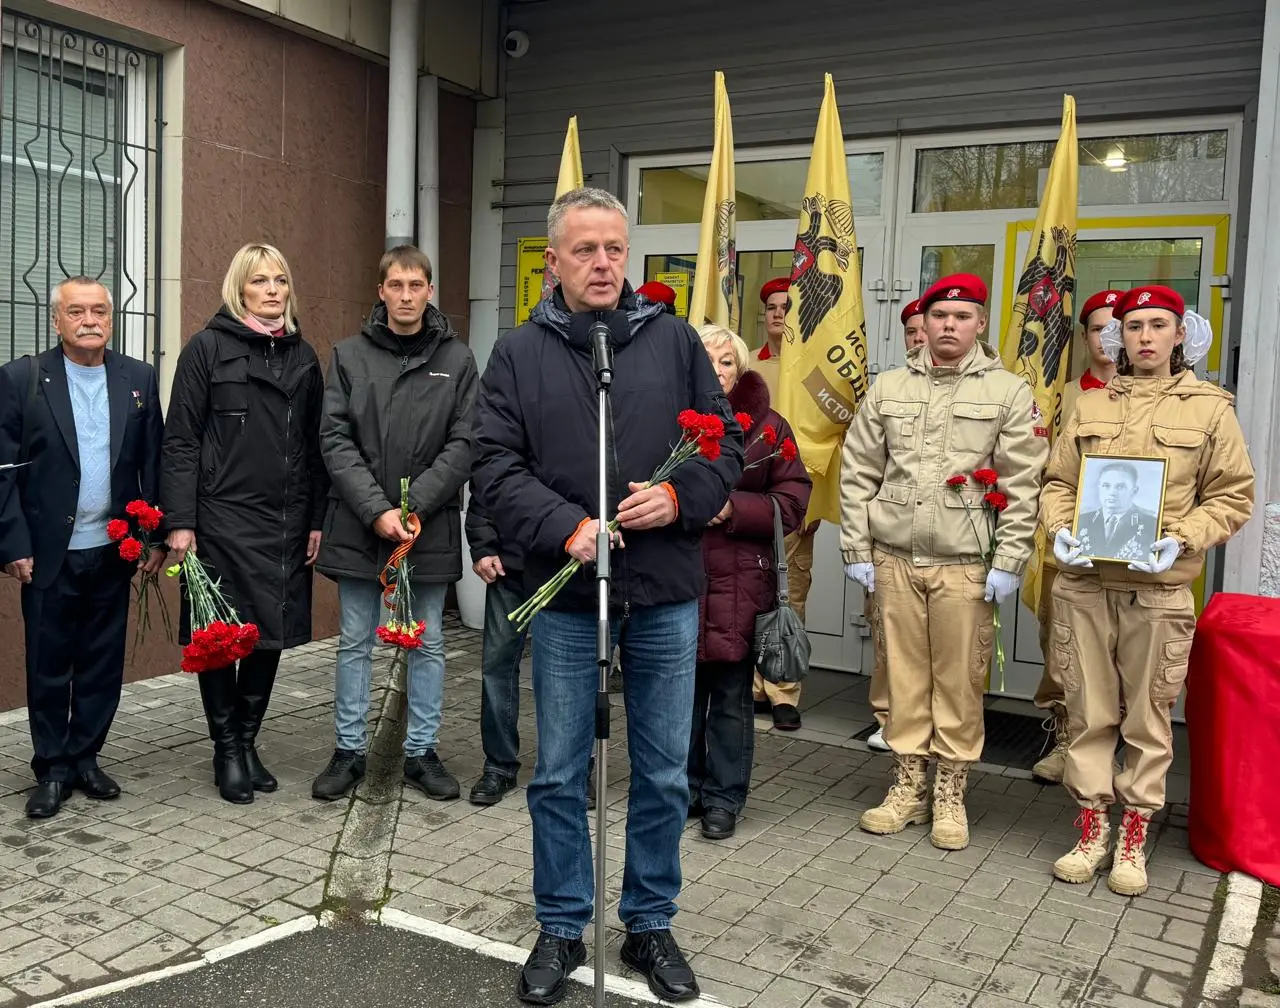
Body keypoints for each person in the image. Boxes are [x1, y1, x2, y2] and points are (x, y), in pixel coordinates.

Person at [473, 187, 742, 1006]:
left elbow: (721, 442)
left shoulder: (674, 341)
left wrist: (681, 498)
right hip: (562, 597)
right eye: (584, 249)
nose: (602, 263)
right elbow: (492, 462)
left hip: (662, 589)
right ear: (552, 260)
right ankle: (561, 924)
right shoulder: (518, 352)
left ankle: (649, 922)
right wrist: (565, 528)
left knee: (661, 774)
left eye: (614, 249)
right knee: (559, 772)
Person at [1041, 284, 1253, 897]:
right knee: (1087, 710)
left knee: (1147, 716)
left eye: (1158, 325)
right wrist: (1058, 530)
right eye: (1132, 327)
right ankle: (1090, 829)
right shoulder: (1089, 406)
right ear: (1117, 338)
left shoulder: (1210, 410)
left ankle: (1134, 835)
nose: (1145, 337)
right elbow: (1058, 482)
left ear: (1180, 333)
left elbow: (1232, 495)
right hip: (1084, 584)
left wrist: (1183, 537)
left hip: (1157, 588)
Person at [839, 273, 1047, 851]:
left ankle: (950, 791)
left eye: (962, 316)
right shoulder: (889, 389)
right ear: (923, 326)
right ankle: (907, 785)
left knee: (958, 682)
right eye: (939, 317)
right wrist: (857, 548)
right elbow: (858, 472)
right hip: (895, 560)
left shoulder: (1007, 392)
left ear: (981, 324)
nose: (949, 326)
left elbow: (1024, 483)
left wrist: (1009, 559)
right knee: (901, 677)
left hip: (965, 566)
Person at [162, 243, 329, 804]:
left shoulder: (304, 355)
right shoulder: (206, 349)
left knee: (269, 636)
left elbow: (314, 445)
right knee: (219, 639)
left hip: (283, 522)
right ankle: (227, 749)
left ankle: (248, 740)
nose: (273, 290)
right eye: (260, 281)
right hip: (220, 520)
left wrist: (314, 518)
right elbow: (180, 441)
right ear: (240, 289)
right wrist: (180, 523)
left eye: (281, 279)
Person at [312, 245, 477, 803]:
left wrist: (416, 507)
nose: (406, 295)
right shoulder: (349, 355)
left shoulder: (457, 360)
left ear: (430, 291)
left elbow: (466, 442)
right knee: (355, 640)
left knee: (426, 642)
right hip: (362, 525)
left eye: (416, 285)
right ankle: (348, 751)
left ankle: (422, 752)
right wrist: (377, 511)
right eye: (396, 285)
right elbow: (334, 439)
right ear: (380, 291)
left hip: (425, 527)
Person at [0, 277, 164, 819]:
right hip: (49, 552)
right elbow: (3, 472)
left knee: (100, 662)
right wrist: (14, 543)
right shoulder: (23, 378)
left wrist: (151, 536)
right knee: (49, 664)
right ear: (57, 321)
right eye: (77, 312)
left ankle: (86, 756)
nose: (89, 320)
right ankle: (50, 768)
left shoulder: (137, 378)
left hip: (112, 551)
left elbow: (153, 464)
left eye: (99, 310)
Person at [689, 324, 811, 840]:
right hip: (679, 581)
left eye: (726, 362)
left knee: (731, 702)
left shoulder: (769, 428)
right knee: (678, 704)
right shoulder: (668, 420)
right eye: (706, 360)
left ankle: (723, 798)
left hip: (740, 585)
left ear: (741, 369)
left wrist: (731, 508)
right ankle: (684, 791)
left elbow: (793, 501)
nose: (716, 371)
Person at [1031, 289, 1122, 785]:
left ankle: (1112, 748)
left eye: (1116, 328)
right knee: (1063, 647)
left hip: (1128, 546)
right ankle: (1066, 739)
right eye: (1097, 329)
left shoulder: (1146, 395)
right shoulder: (1061, 396)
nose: (1107, 339)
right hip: (1068, 542)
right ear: (1083, 337)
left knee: (1121, 654)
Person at [749, 276, 816, 730]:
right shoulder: (749, 368)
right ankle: (754, 685)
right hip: (749, 501)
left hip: (793, 501)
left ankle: (784, 692)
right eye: (772, 307)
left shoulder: (812, 370)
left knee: (790, 595)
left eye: (787, 307)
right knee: (750, 596)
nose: (778, 314)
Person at [865, 297, 928, 754]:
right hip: (893, 535)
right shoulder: (887, 389)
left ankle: (936, 728)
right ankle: (889, 718)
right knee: (889, 637)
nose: (920, 337)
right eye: (912, 331)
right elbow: (863, 467)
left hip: (950, 541)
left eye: (927, 328)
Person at [1074, 461, 1158, 560]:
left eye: (1120, 487)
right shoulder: (1082, 521)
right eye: (1106, 486)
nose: (1112, 493)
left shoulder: (1151, 524)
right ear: (1099, 488)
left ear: (1134, 490)